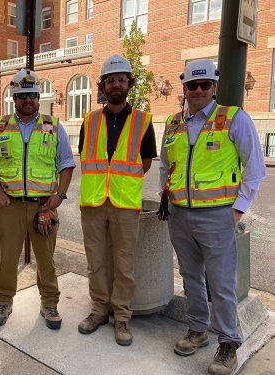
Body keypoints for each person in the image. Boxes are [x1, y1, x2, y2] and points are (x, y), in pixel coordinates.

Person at [158, 59, 265, 375]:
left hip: (218, 216)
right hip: (179, 214)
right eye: (193, 85)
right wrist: (165, 198)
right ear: (185, 88)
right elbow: (166, 166)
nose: (199, 90)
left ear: (214, 86)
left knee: (220, 283)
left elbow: (255, 170)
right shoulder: (174, 123)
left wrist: (236, 210)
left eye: (205, 85)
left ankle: (229, 344)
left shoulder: (234, 119)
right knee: (191, 278)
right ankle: (198, 329)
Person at [0, 69, 75, 330]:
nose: (28, 100)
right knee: (7, 256)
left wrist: (58, 197)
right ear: (14, 97)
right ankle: (3, 301)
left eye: (32, 95)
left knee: (46, 257)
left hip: (43, 205)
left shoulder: (53, 127)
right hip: (10, 205)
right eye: (22, 96)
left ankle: (50, 303)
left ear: (38, 96)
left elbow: (66, 164)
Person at [77, 54, 157, 346]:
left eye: (121, 80)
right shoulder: (89, 120)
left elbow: (145, 162)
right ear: (103, 85)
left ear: (129, 85)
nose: (116, 85)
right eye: (111, 80)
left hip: (124, 203)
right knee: (95, 262)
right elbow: (87, 155)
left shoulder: (142, 121)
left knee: (124, 264)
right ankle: (98, 310)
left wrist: (120, 181)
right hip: (94, 202)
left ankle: (122, 316)